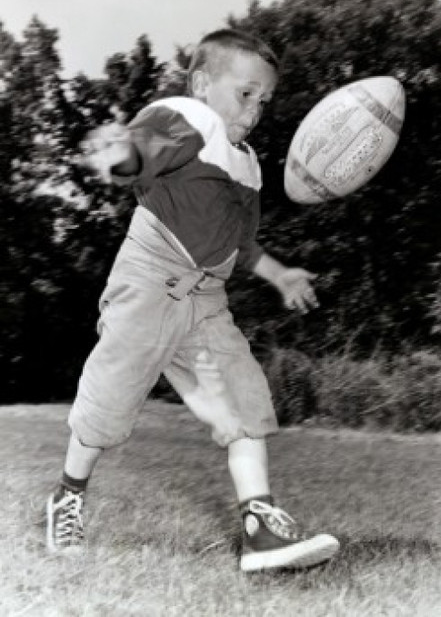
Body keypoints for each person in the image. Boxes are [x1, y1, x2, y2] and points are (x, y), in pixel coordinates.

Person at [45, 28, 339, 572]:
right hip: (150, 280)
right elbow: (144, 148)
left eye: (264, 100)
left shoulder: (247, 165)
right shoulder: (189, 118)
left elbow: (241, 243)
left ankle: (260, 529)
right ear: (203, 84)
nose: (254, 110)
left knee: (243, 401)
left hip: (205, 298)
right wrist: (120, 154)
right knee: (110, 401)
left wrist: (280, 275)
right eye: (245, 93)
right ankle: (68, 492)